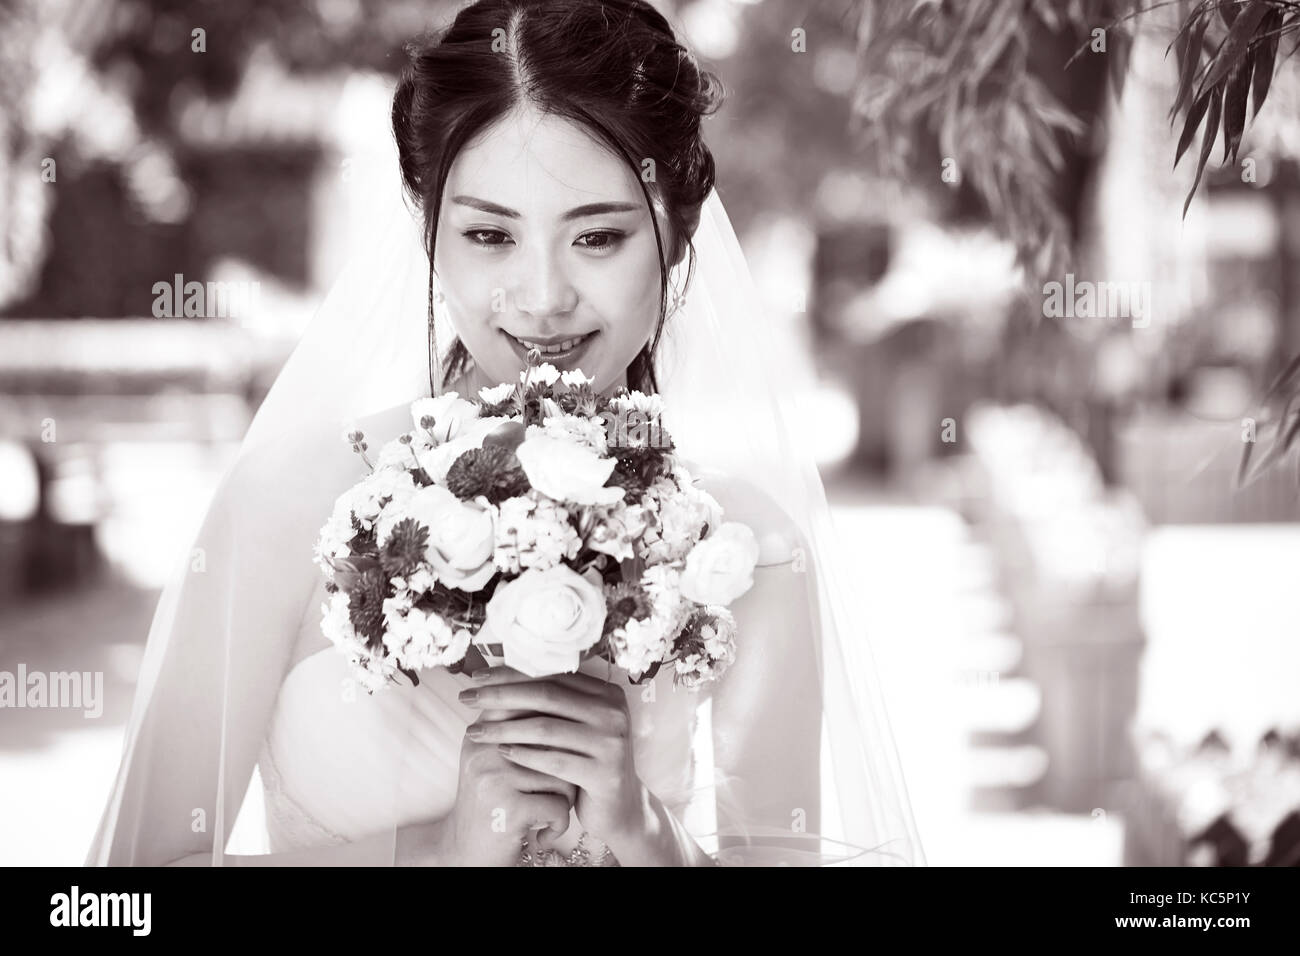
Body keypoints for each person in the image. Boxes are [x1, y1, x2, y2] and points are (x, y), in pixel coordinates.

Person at [86, 0, 924, 866]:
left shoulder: (745, 550)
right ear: (428, 229)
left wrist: (651, 841)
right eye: (490, 234)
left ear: (677, 234)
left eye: (598, 237)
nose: (541, 297)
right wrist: (437, 854)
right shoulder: (287, 505)